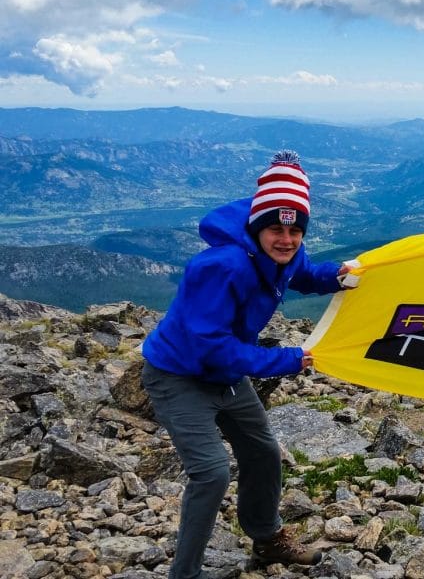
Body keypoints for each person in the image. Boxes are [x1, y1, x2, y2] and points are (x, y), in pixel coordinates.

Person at [141, 150, 353, 579]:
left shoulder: (287, 250)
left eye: (294, 231)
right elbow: (210, 346)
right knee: (212, 473)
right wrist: (286, 359)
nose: (286, 239)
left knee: (263, 454)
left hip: (228, 376)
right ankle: (185, 574)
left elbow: (304, 273)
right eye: (275, 229)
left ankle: (268, 540)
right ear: (258, 228)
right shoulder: (221, 267)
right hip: (179, 376)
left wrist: (338, 276)